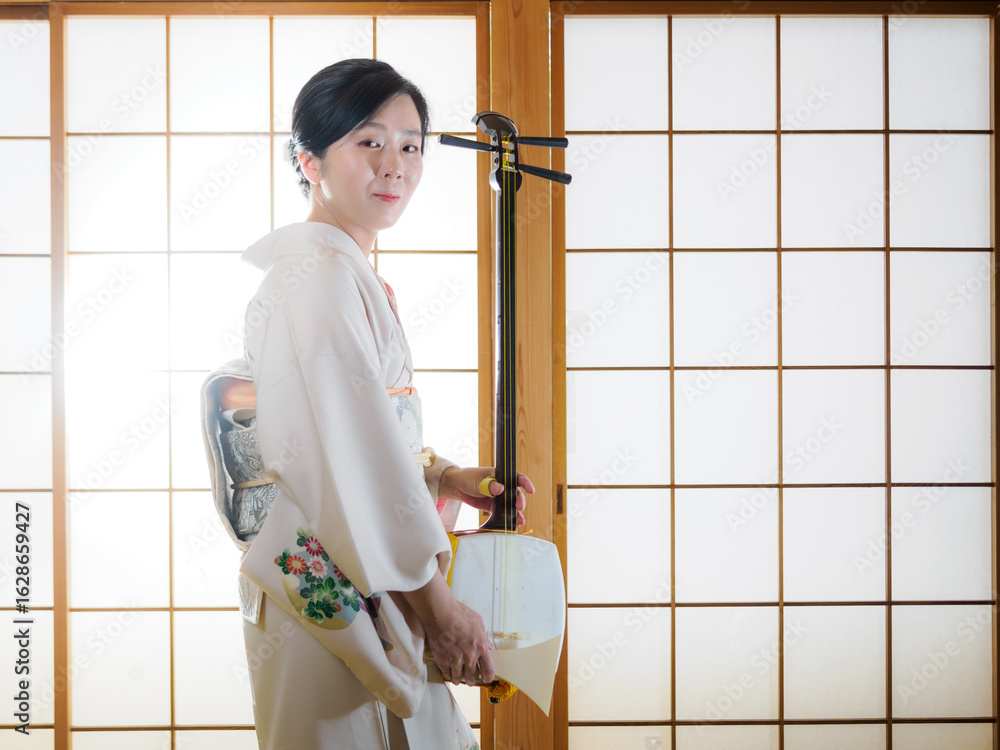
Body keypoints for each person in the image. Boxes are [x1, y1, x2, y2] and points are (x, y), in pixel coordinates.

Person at [199, 59, 533, 749]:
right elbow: (341, 456)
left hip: (357, 574)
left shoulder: (341, 272)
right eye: (369, 142)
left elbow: (359, 437)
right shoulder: (317, 278)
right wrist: (438, 606)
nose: (394, 166)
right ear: (310, 160)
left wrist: (440, 477)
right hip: (332, 591)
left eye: (411, 146)